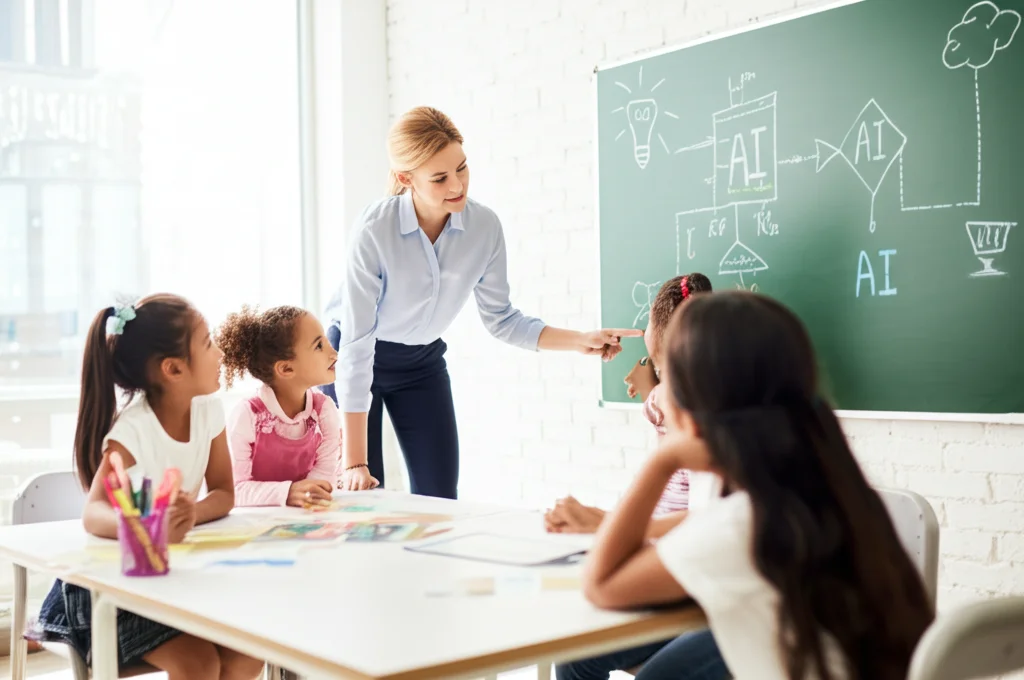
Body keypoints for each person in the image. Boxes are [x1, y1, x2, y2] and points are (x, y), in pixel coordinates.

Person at [582, 291, 934, 680]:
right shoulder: (826, 487)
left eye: (667, 376)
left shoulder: (745, 523)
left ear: (691, 408)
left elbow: (600, 585)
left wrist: (664, 459)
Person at [325, 105, 640, 499]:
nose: (457, 185)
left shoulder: (484, 228)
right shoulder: (375, 228)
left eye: (462, 168)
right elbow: (356, 345)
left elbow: (502, 319)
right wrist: (354, 463)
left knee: (440, 496)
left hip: (420, 363)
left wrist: (580, 340)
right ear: (406, 179)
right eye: (439, 178)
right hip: (351, 356)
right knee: (362, 495)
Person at [31, 295, 264, 680]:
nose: (220, 353)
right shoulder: (134, 429)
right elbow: (94, 513)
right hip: (107, 594)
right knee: (199, 664)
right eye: (208, 343)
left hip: (169, 582)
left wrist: (190, 514)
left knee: (248, 656)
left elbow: (224, 492)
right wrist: (146, 528)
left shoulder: (208, 410)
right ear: (173, 368)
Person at [545, 273, 713, 541]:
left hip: (674, 531)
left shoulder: (666, 401)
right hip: (673, 529)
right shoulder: (717, 395)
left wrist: (605, 523)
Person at [217, 305, 360, 507]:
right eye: (319, 346)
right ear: (286, 368)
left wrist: (307, 495)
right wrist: (288, 493)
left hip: (304, 516)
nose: (334, 353)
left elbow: (322, 482)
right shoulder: (247, 415)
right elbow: (233, 490)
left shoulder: (324, 411)